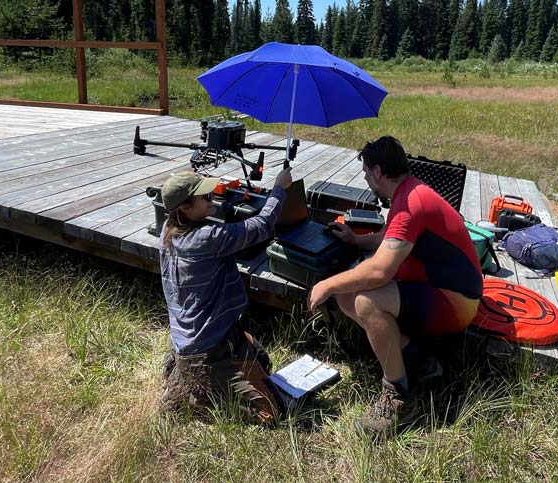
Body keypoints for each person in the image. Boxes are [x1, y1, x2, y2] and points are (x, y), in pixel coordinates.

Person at [308, 136, 483, 436]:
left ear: (377, 171)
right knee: (348, 297)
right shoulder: (407, 192)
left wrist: (327, 284)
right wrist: (355, 240)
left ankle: (399, 396)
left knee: (366, 300)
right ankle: (420, 362)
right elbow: (391, 238)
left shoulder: (411, 202)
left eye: (366, 173)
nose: (366, 179)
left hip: (456, 301)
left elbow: (380, 272)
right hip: (439, 287)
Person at [157, 165, 294, 425]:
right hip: (207, 345)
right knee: (272, 413)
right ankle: (199, 396)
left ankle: (188, 371)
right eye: (205, 197)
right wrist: (279, 190)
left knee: (262, 359)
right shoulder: (206, 239)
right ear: (185, 208)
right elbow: (262, 225)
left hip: (195, 335)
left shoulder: (168, 229)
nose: (213, 199)